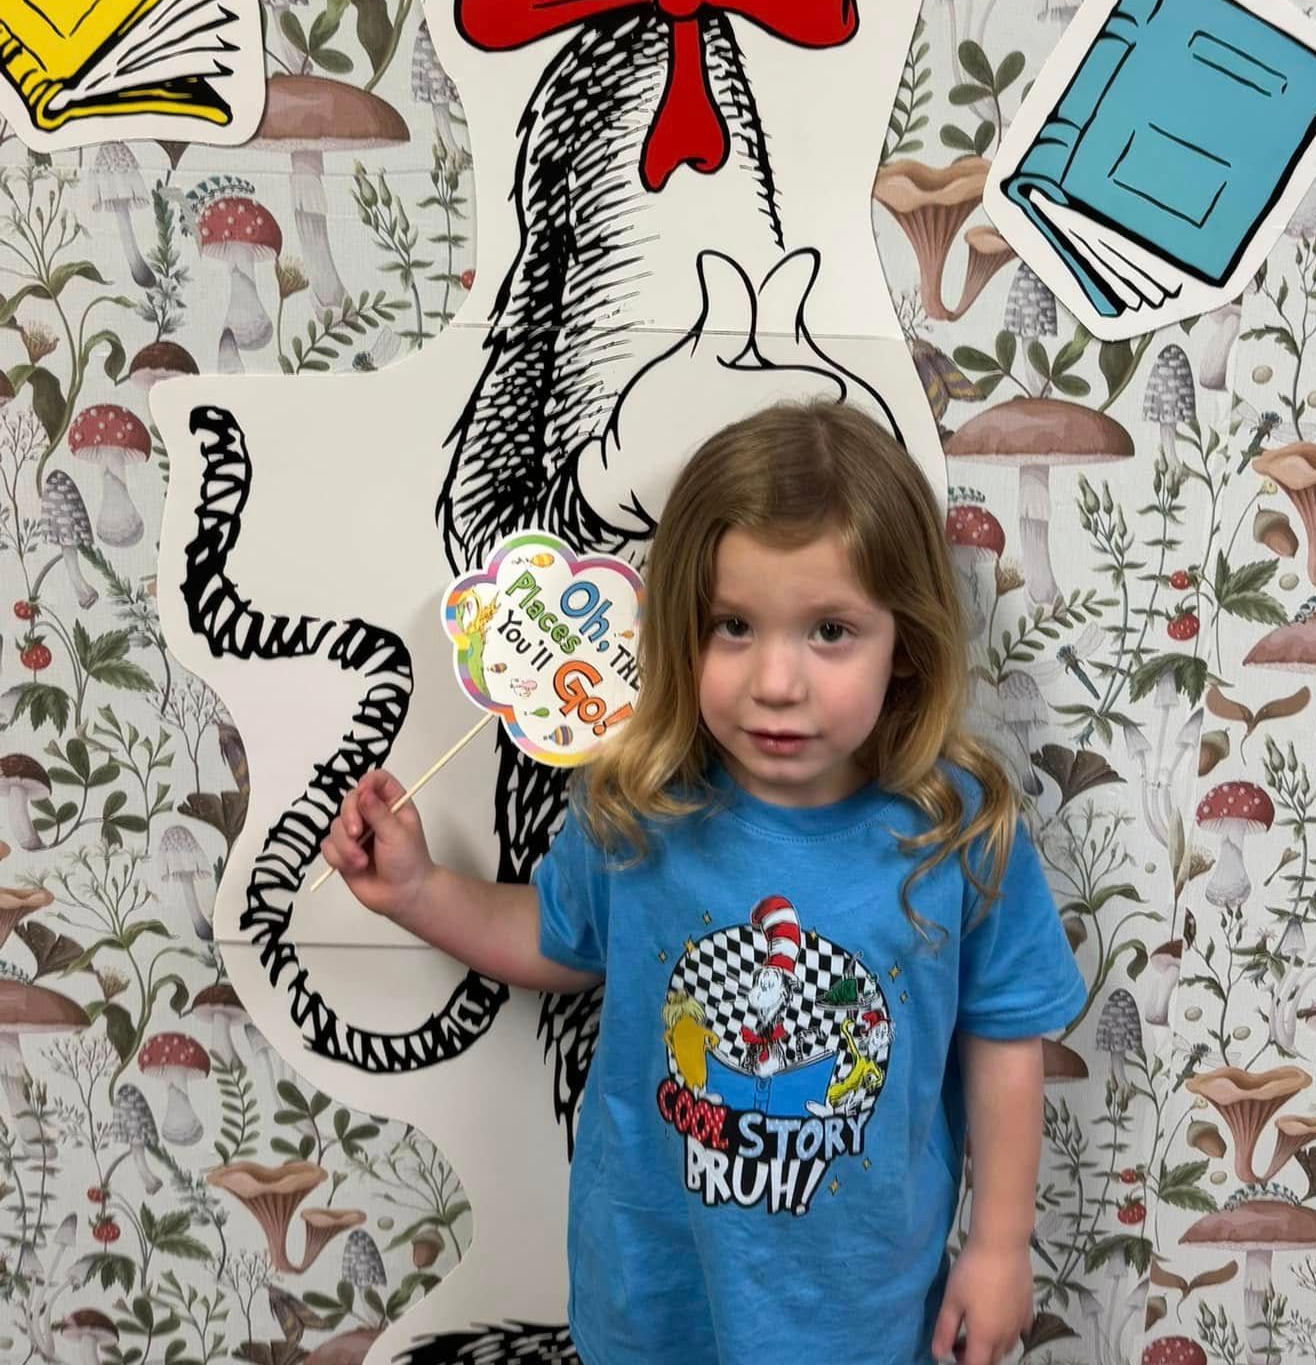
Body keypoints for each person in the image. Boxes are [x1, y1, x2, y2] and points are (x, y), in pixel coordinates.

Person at [322, 401, 1087, 1365]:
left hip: (857, 1312)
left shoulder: (960, 831)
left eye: (831, 631)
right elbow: (558, 941)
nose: (776, 680)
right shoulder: (643, 802)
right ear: (681, 627)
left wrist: (1001, 1243)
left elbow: (1006, 1043)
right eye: (733, 625)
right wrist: (421, 890)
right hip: (652, 1293)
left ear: (909, 642)